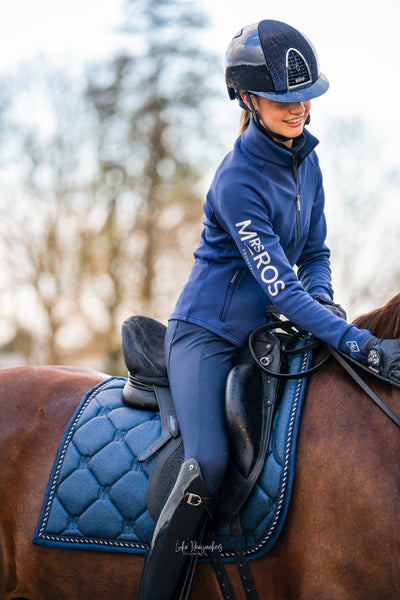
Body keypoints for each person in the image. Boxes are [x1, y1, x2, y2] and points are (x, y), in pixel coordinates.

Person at [136, 19, 400, 600]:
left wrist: (327, 302)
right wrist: (354, 339)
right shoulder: (237, 180)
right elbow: (282, 289)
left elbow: (315, 253)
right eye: (283, 99)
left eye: (304, 96)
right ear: (249, 98)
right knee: (205, 460)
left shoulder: (308, 163)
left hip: (265, 339)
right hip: (205, 338)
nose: (298, 108)